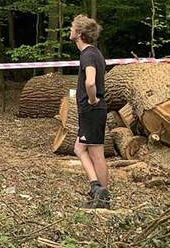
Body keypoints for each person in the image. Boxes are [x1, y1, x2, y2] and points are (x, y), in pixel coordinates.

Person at [70, 14, 109, 209]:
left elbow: (91, 81)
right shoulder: (94, 53)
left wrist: (92, 99)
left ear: (79, 33)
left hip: (92, 110)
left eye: (72, 28)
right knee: (79, 148)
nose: (70, 30)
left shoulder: (88, 54)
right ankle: (96, 188)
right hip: (91, 112)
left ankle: (102, 196)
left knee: (96, 153)